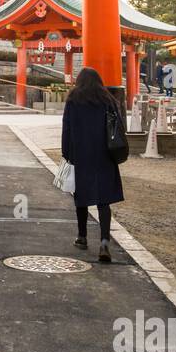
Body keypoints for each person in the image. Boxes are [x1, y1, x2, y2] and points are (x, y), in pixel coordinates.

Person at [60, 67, 125, 263]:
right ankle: (104, 240)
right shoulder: (108, 100)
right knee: (103, 200)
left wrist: (66, 153)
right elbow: (119, 125)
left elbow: (67, 128)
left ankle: (82, 237)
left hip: (81, 154)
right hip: (105, 154)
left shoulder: (73, 100)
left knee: (81, 196)